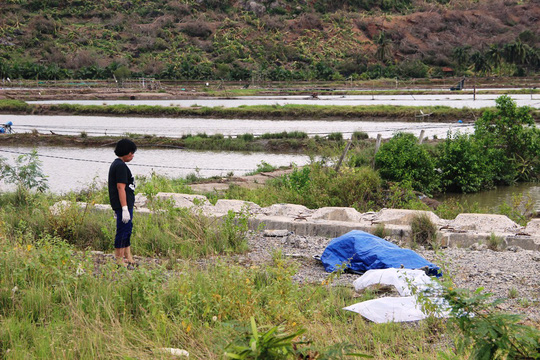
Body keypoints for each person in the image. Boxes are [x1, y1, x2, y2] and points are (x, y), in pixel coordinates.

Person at [108, 139, 137, 268]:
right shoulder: (119, 166)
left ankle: (128, 257)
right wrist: (124, 207)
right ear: (125, 153)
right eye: (131, 153)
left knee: (128, 230)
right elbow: (120, 187)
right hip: (122, 205)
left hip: (126, 204)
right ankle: (119, 260)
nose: (132, 155)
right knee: (122, 231)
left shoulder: (120, 165)